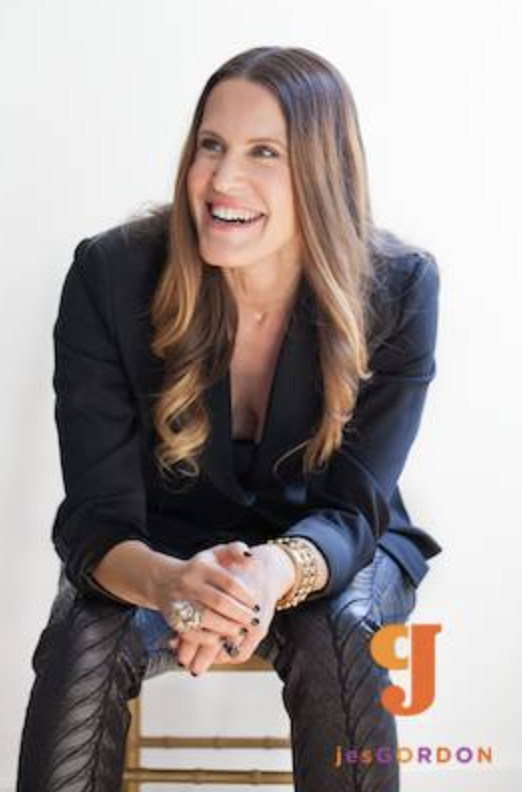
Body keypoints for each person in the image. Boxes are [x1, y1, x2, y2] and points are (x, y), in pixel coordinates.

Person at [16, 45, 441, 791]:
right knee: (85, 639)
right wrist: (174, 583)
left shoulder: (399, 289)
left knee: (338, 631)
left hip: (330, 542)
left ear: (322, 171)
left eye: (264, 152)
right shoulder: (111, 276)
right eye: (210, 145)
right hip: (159, 542)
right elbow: (95, 517)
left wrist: (271, 572)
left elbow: (355, 507)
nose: (222, 179)